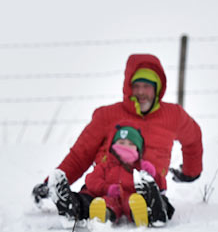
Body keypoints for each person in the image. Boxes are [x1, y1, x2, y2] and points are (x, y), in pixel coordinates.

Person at [32, 53, 203, 222]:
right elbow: (80, 155)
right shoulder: (108, 116)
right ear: (128, 87)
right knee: (87, 200)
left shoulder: (173, 116)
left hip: (147, 189)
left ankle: (154, 211)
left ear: (158, 87)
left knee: (157, 200)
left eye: (147, 86)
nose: (141, 92)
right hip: (105, 189)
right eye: (136, 86)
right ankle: (71, 206)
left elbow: (193, 139)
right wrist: (49, 185)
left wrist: (190, 172)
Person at [84, 124, 166, 226]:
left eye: (131, 144)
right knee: (107, 202)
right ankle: (104, 214)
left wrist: (153, 175)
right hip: (112, 196)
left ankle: (139, 215)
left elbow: (160, 188)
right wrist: (106, 188)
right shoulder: (106, 165)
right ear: (113, 145)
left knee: (134, 202)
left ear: (138, 149)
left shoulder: (141, 166)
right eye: (121, 142)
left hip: (133, 197)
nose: (125, 147)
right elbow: (91, 180)